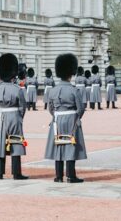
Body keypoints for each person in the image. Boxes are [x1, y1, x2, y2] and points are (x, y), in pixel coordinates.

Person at [44, 53, 86, 183]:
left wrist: (56, 116)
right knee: (70, 146)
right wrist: (76, 117)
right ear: (71, 73)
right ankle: (71, 175)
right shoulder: (74, 90)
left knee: (58, 145)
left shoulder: (53, 91)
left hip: (57, 120)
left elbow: (50, 108)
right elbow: (81, 108)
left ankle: (58, 176)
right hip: (71, 119)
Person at [0, 53, 28, 180]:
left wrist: (0, 115)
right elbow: (23, 107)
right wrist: (19, 118)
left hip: (1, 117)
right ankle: (16, 173)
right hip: (14, 116)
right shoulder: (17, 89)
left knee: (0, 144)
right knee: (16, 143)